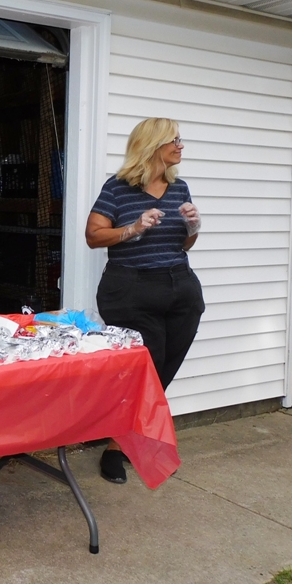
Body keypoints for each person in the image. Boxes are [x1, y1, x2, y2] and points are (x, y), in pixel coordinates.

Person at [85, 117, 204, 484]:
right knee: (144, 370)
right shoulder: (117, 188)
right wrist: (133, 228)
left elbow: (183, 244)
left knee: (163, 367)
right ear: (153, 145)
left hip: (180, 287)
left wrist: (193, 227)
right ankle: (115, 447)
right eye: (175, 140)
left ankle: (129, 436)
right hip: (131, 290)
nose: (181, 146)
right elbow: (93, 236)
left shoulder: (179, 187)